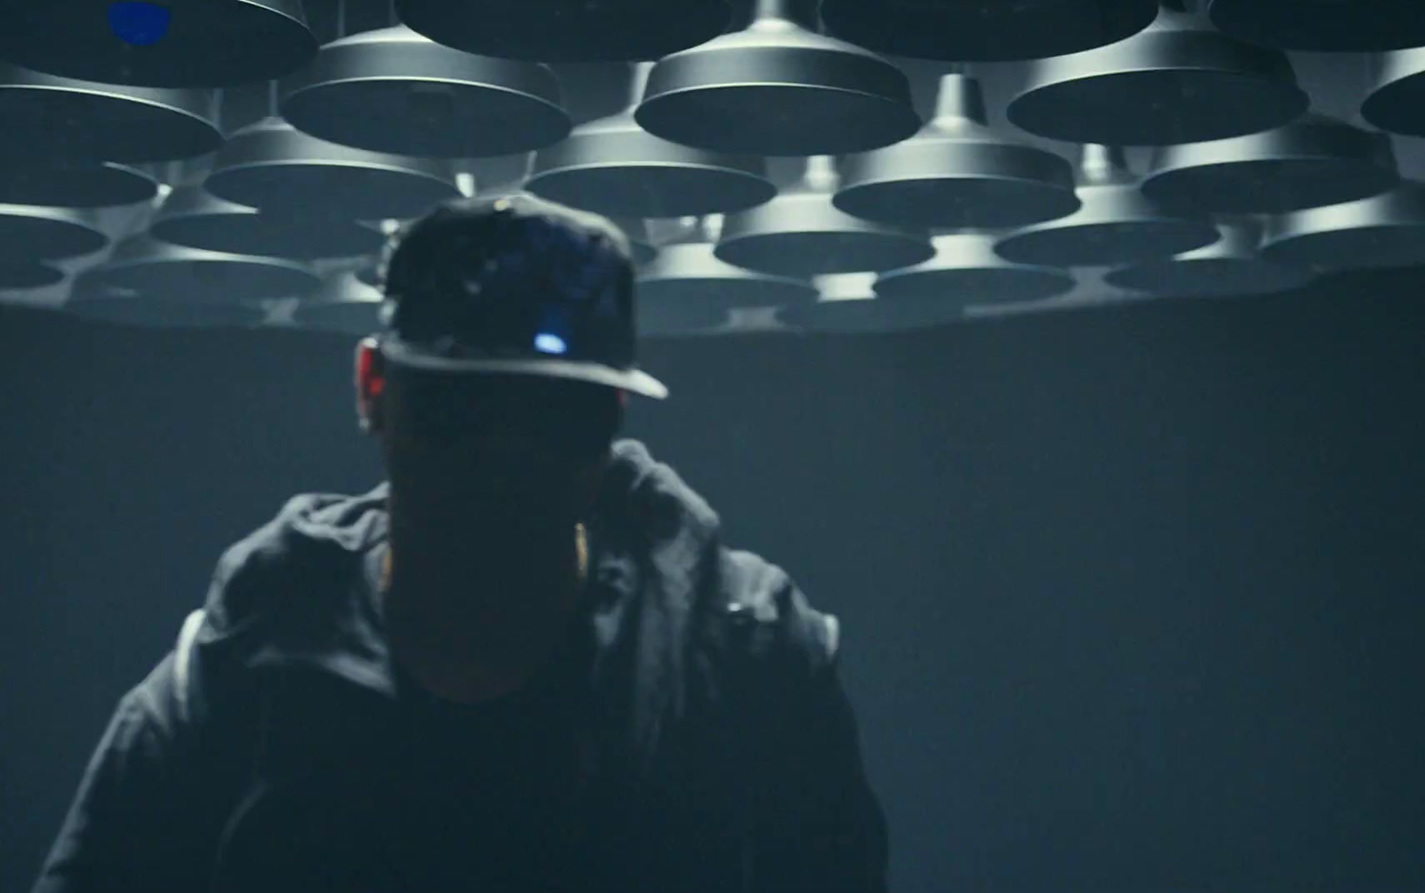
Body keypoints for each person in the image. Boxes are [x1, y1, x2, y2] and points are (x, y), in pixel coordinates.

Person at [30, 194, 890, 893]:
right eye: (462, 410)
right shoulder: (236, 670)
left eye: (555, 417)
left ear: (610, 421)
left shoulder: (743, 655)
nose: (505, 463)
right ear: (375, 387)